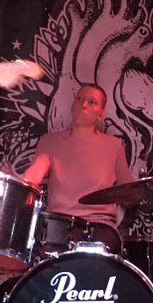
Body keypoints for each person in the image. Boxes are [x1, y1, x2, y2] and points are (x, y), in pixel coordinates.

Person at [21, 83, 135, 254]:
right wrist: (13, 180)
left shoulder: (114, 145)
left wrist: (144, 190)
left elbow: (130, 192)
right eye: (79, 99)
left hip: (100, 226)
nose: (83, 104)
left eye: (92, 102)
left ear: (101, 114)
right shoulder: (50, 141)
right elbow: (31, 179)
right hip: (58, 223)